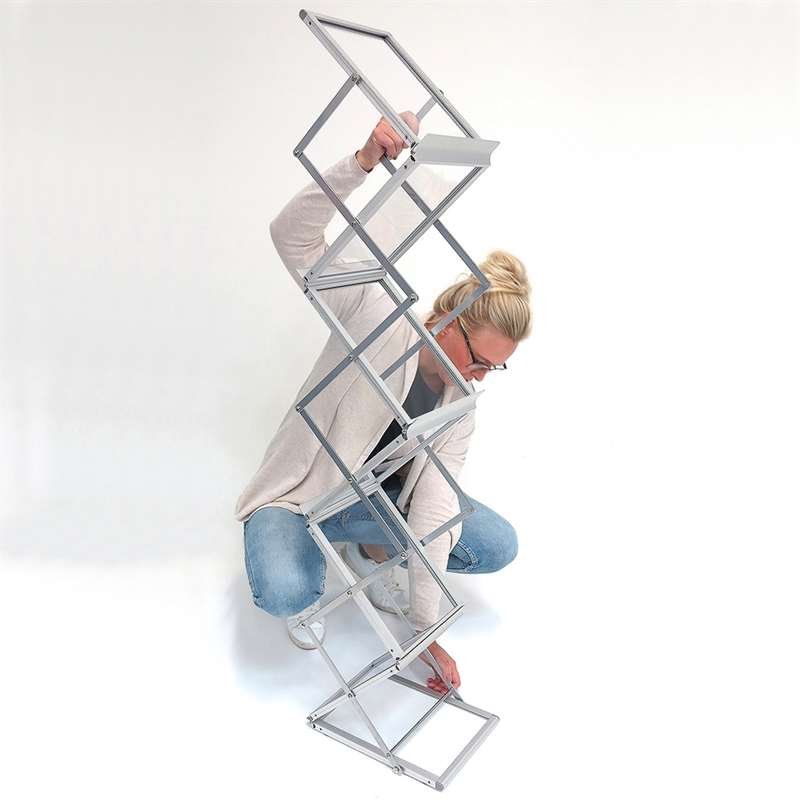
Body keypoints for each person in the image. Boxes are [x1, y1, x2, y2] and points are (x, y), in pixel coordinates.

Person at [235, 111, 532, 695]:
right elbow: (291, 237)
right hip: (304, 497)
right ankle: (334, 553)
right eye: (479, 358)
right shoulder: (376, 316)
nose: (479, 376)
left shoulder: (460, 402)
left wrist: (424, 632)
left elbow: (434, 507)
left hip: (380, 505)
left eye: (493, 368)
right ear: (448, 317)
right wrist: (362, 162)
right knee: (286, 592)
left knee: (496, 544)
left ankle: (372, 552)